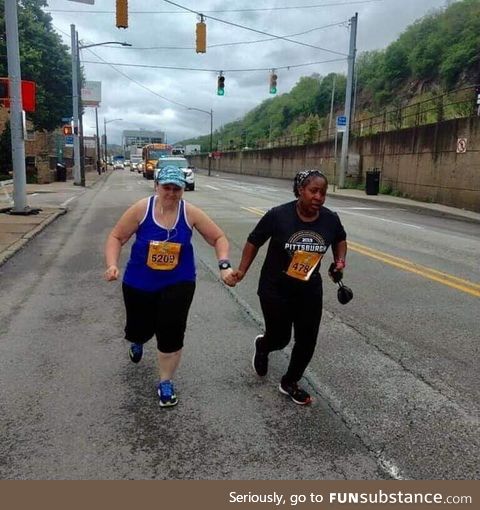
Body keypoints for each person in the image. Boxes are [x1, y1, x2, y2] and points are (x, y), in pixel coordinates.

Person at [104, 165, 235, 408]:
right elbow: (116, 237)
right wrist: (112, 265)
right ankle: (138, 340)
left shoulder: (190, 212)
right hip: (139, 282)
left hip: (178, 282)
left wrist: (224, 264)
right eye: (167, 187)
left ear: (183, 190)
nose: (172, 193)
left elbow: (218, 237)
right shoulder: (142, 209)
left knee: (171, 332)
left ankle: (166, 381)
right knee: (139, 328)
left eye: (177, 188)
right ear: (157, 186)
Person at [232, 169, 347, 405]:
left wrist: (339, 262)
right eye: (313, 191)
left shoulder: (330, 218)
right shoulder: (278, 215)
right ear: (300, 191)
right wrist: (242, 270)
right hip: (275, 287)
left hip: (309, 290)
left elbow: (340, 239)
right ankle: (263, 346)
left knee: (307, 340)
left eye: (323, 193)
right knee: (280, 338)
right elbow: (254, 241)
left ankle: (290, 381)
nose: (318, 197)